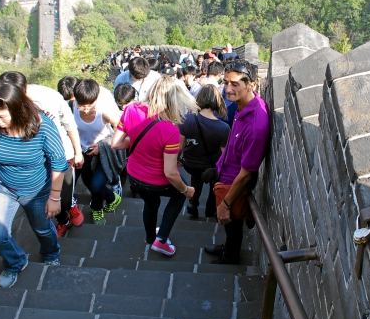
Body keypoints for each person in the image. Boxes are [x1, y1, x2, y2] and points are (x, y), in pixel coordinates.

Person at [0, 81, 69, 289]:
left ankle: (50, 254)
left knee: (42, 229)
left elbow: (58, 161)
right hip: (3, 186)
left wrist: (55, 197)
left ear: (18, 109)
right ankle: (15, 261)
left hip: (37, 190)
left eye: (2, 116)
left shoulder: (42, 126)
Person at [111, 76, 197, 256]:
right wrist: (186, 190)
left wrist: (138, 141)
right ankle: (162, 239)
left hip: (134, 177)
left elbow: (116, 144)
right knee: (180, 194)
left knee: (151, 202)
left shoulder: (130, 110)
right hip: (157, 180)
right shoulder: (171, 131)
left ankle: (151, 238)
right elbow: (171, 173)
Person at [0, 72, 84, 236]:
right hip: (34, 159)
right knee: (47, 200)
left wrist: (77, 152)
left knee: (62, 197)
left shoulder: (50, 96)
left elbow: (70, 124)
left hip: (61, 154)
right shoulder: (2, 106)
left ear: (24, 89)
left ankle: (71, 205)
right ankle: (63, 221)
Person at [204, 61, 270, 265]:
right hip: (224, 171)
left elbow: (247, 173)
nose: (228, 89)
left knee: (230, 220)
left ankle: (230, 256)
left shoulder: (256, 124)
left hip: (234, 182)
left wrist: (225, 204)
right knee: (228, 224)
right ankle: (227, 248)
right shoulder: (243, 106)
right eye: (225, 83)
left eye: (235, 84)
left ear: (251, 84)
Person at [73, 79, 122, 225]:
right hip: (83, 153)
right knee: (90, 184)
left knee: (95, 185)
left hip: (102, 154)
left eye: (90, 106)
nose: (86, 110)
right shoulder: (71, 108)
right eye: (82, 106)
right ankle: (112, 198)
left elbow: (122, 130)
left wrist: (101, 146)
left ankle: (96, 209)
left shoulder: (104, 112)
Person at [179, 85, 230, 218]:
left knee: (196, 177)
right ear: (217, 101)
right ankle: (210, 209)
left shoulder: (186, 119)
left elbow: (179, 146)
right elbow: (224, 155)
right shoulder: (223, 128)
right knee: (213, 181)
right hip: (210, 166)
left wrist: (178, 159)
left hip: (190, 163)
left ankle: (193, 202)